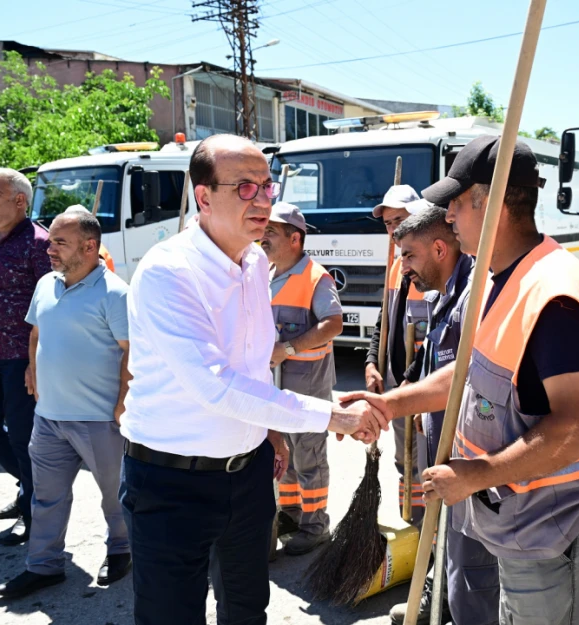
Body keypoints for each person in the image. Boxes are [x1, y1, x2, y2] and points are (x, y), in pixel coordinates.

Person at [346, 135, 579, 625]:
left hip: (563, 524)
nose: (450, 217)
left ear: (494, 201)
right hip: (527, 520)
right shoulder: (497, 279)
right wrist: (391, 404)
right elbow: (466, 375)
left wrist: (477, 475)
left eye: (456, 204)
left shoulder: (554, 296)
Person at [118, 133, 388, 625]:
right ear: (203, 197)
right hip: (172, 482)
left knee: (246, 610)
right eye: (245, 188)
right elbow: (216, 385)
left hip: (247, 477)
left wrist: (268, 431)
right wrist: (332, 415)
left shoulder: (254, 261)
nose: (263, 199)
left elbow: (253, 362)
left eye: (267, 186)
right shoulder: (168, 272)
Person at [0, 211, 132, 598]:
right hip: (49, 416)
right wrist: (32, 370)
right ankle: (44, 565)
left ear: (90, 247)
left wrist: (122, 404)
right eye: (50, 240)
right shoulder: (45, 284)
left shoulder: (116, 293)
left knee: (115, 495)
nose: (49, 249)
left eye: (59, 242)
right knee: (46, 495)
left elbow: (131, 353)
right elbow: (36, 331)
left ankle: (121, 549)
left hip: (99, 418)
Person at [385, 201, 490, 625]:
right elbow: (434, 358)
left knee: (474, 565)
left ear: (440, 250)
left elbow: (465, 376)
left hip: (471, 459)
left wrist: (398, 402)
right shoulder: (442, 295)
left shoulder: (474, 295)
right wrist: (412, 386)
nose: (403, 266)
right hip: (442, 446)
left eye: (409, 255)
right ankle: (439, 593)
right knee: (442, 531)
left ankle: (450, 599)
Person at [0, 167, 51, 546]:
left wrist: (37, 363)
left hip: (21, 358)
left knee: (21, 436)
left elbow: (50, 304)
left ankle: (36, 518)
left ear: (19, 200)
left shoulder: (38, 242)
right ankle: (31, 487)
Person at [261, 202, 343, 555]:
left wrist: (289, 349)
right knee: (286, 451)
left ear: (295, 239)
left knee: (308, 453)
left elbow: (333, 324)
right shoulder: (267, 273)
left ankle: (315, 525)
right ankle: (292, 513)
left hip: (307, 379)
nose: (262, 237)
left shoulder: (315, 277)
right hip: (277, 380)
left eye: (271, 232)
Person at [363, 184, 431, 525]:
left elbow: (442, 335)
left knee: (428, 462)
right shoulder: (396, 265)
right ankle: (412, 520)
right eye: (388, 223)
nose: (393, 230)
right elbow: (384, 320)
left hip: (427, 388)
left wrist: (412, 380)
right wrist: (372, 361)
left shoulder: (432, 267)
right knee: (405, 463)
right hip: (397, 386)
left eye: (399, 220)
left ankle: (430, 534)